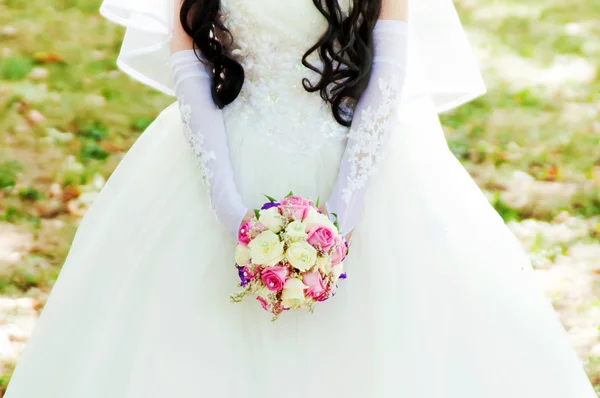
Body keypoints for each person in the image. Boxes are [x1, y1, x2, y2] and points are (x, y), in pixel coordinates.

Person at [5, 0, 597, 397]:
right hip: (220, 147)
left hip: (361, 152)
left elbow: (388, 74)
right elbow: (187, 60)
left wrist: (345, 209)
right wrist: (224, 197)